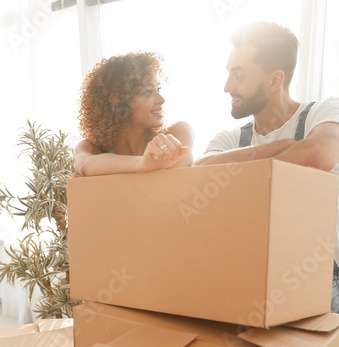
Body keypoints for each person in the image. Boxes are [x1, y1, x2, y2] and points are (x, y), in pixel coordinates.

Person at [194, 21, 339, 312]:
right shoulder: (229, 138)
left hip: (324, 288)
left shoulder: (323, 112)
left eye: (238, 76)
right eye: (229, 74)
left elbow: (318, 154)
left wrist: (239, 178)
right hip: (252, 285)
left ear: (274, 81)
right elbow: (201, 172)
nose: (227, 87)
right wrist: (284, 148)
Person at [74, 51, 193, 176]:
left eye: (158, 89)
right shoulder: (92, 148)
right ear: (118, 103)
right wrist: (143, 163)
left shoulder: (178, 134)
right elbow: (84, 164)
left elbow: (172, 182)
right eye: (148, 92)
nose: (161, 99)